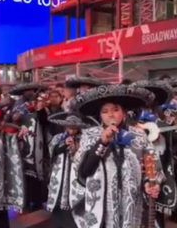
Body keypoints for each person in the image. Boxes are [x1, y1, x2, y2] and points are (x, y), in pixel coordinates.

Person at [70, 84, 163, 228]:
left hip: (131, 205)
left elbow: (152, 165)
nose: (111, 115)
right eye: (105, 111)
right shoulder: (90, 135)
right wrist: (102, 142)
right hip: (101, 207)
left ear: (124, 112)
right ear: (100, 116)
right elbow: (84, 171)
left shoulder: (138, 136)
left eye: (115, 110)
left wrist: (148, 183)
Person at [132, 80, 177, 228]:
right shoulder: (131, 119)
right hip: (135, 171)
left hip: (157, 170)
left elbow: (169, 145)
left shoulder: (163, 120)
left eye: (150, 96)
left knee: (154, 214)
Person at [8, 83, 47, 211]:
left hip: (37, 142)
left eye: (31, 89)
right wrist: (18, 114)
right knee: (23, 172)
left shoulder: (39, 102)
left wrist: (40, 109)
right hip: (22, 141)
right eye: (27, 90)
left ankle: (37, 201)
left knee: (36, 173)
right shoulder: (18, 104)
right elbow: (12, 119)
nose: (29, 92)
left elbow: (44, 120)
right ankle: (25, 200)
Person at [47, 112, 89, 228]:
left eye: (75, 128)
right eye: (70, 127)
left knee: (74, 200)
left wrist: (77, 149)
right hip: (59, 173)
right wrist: (64, 144)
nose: (72, 130)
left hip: (75, 174)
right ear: (65, 127)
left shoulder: (84, 140)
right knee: (58, 199)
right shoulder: (58, 138)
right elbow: (51, 151)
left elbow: (86, 156)